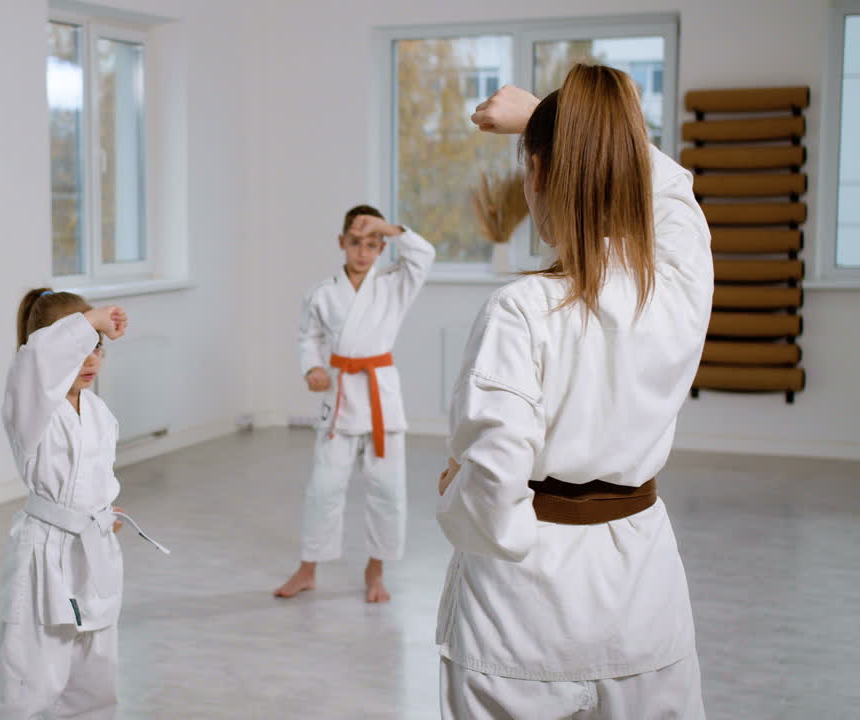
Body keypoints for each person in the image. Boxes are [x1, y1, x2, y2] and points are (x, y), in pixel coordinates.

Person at [435, 67, 711, 718]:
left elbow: (492, 495)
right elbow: (674, 193)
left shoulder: (522, 310)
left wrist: (456, 485)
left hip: (521, 615)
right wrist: (545, 116)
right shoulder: (676, 285)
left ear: (536, 177)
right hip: (643, 597)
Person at [0, 289, 167, 719]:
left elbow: (94, 478)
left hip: (95, 546)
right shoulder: (31, 404)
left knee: (95, 674)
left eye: (97, 348)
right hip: (46, 552)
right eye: (79, 347)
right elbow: (38, 356)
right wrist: (96, 319)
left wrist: (105, 513)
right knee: (31, 676)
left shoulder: (98, 412)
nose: (90, 359)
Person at [275, 207, 436, 603]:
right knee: (324, 488)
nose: (363, 252)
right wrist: (312, 368)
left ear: (382, 247)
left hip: (381, 397)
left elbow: (425, 254)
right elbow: (307, 338)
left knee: (387, 489)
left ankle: (376, 569)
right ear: (341, 242)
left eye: (372, 244)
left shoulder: (395, 284)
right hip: (340, 394)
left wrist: (388, 228)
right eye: (355, 242)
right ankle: (308, 567)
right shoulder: (321, 293)